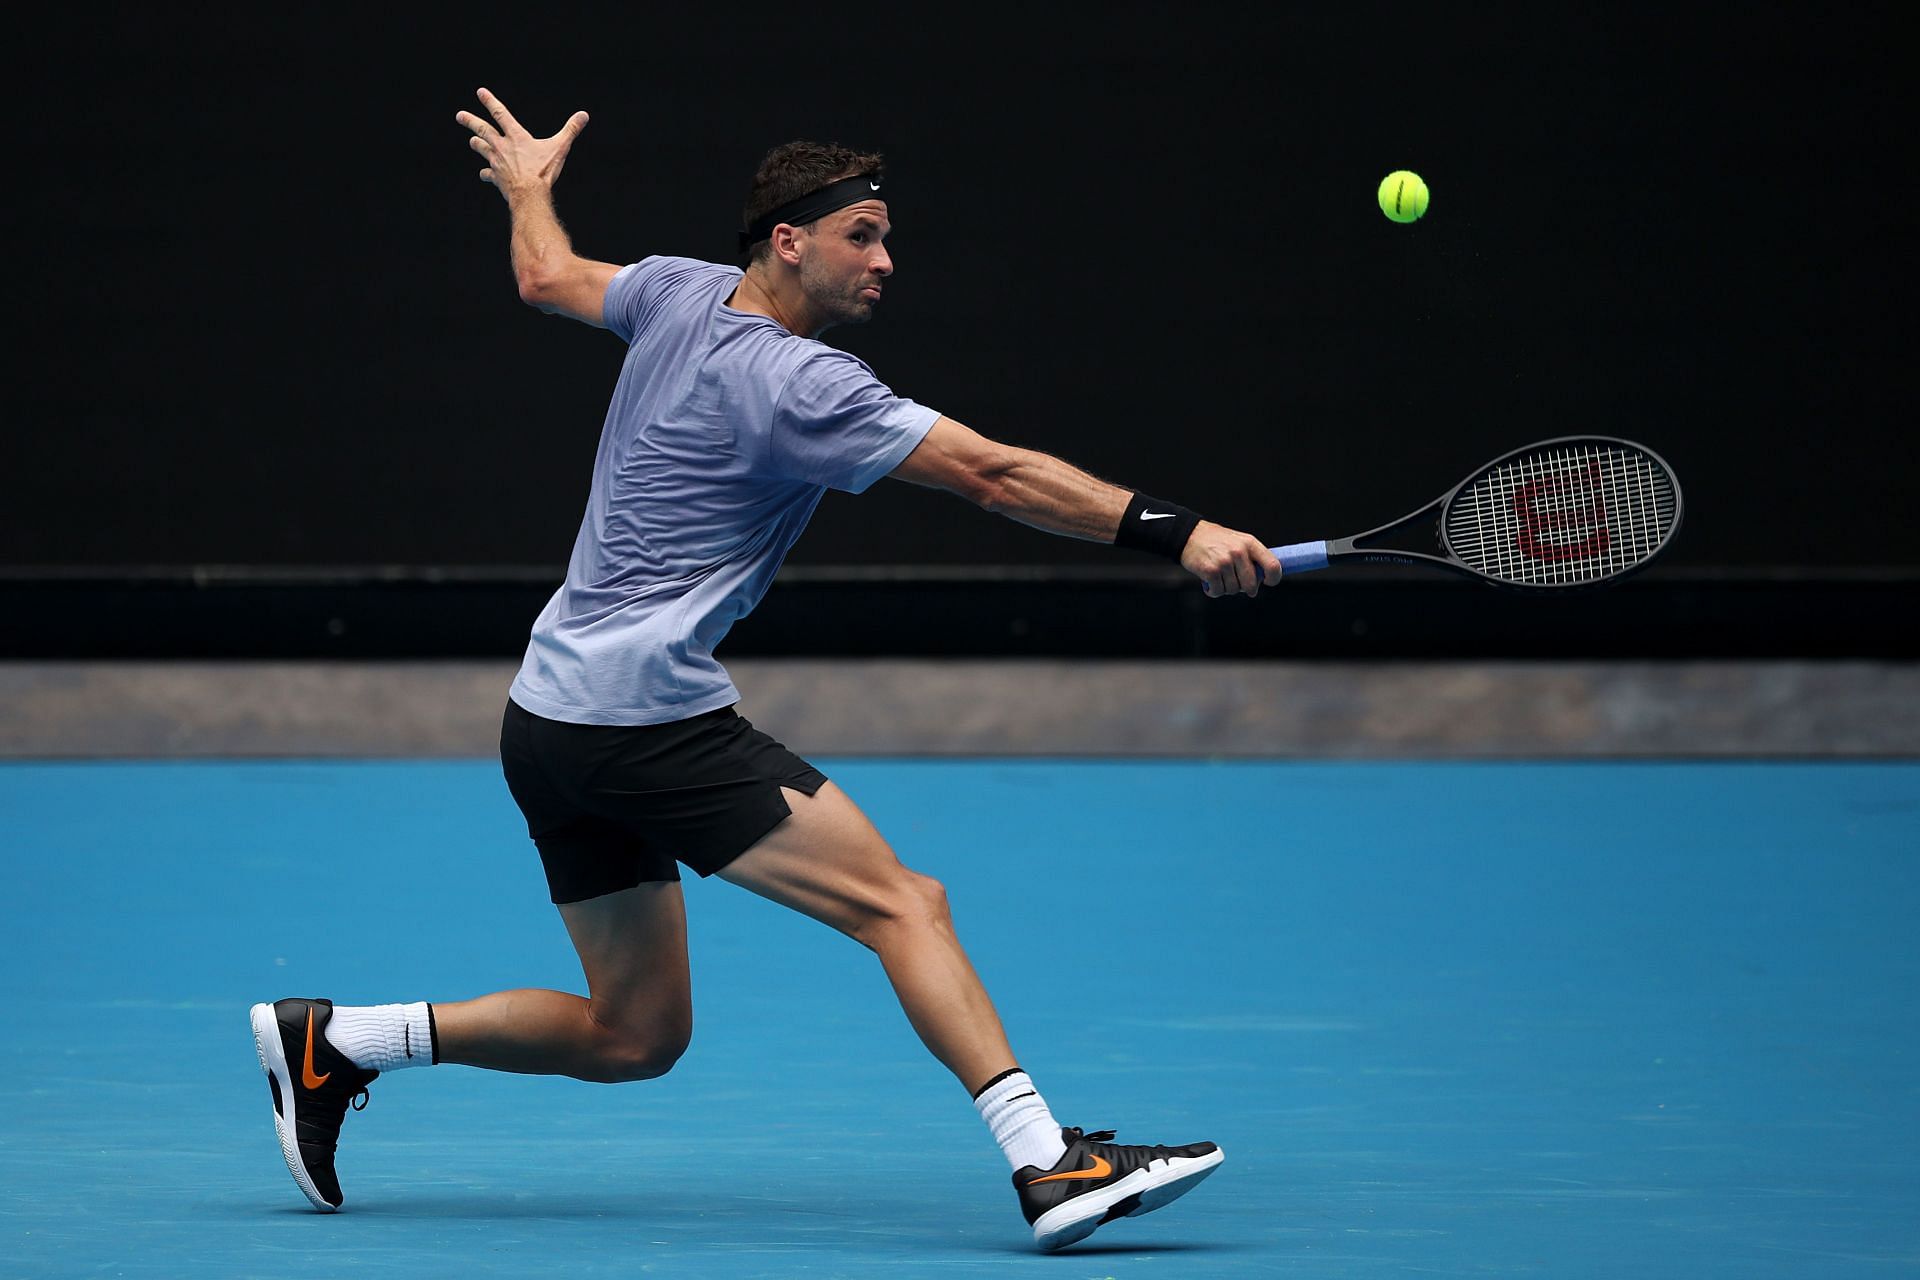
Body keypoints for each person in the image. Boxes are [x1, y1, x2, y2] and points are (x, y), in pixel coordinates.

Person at [250, 87, 1281, 1253]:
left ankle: (335, 1043)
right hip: (643, 722)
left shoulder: (679, 288)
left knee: (636, 1034)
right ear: (789, 240)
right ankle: (1048, 1159)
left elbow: (547, 276)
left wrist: (531, 195)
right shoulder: (802, 385)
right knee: (905, 903)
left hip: (546, 717)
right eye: (864, 236)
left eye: (888, 236)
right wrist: (1175, 529)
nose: (887, 259)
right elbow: (993, 474)